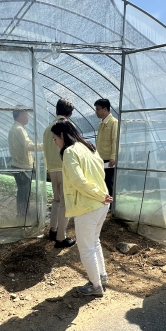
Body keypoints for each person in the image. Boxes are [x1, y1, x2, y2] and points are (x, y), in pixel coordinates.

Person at [51, 119, 112, 297]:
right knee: (94, 242)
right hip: (101, 203)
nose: (55, 142)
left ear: (62, 134)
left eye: (55, 138)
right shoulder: (89, 147)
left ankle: (95, 286)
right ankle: (101, 277)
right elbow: (100, 172)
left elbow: (78, 180)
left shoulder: (70, 151)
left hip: (88, 205)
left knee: (86, 248)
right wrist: (102, 195)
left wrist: (98, 195)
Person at [43, 98, 76, 249]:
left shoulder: (47, 129)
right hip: (64, 169)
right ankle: (61, 238)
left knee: (56, 201)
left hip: (52, 170)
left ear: (56, 110)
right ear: (70, 114)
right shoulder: (68, 125)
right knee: (65, 204)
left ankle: (53, 229)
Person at [8, 108, 39, 221]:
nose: (28, 117)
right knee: (24, 194)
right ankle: (24, 217)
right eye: (26, 115)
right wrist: (43, 146)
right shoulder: (19, 129)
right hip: (23, 167)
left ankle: (22, 215)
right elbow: (28, 145)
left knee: (22, 193)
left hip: (18, 165)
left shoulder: (14, 129)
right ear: (20, 115)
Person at [95, 98, 119, 198]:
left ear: (105, 109)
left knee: (109, 182)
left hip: (109, 159)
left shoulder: (114, 122)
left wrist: (113, 156)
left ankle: (112, 204)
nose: (96, 112)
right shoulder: (102, 123)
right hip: (101, 158)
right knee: (103, 182)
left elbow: (115, 140)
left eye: (98, 109)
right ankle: (106, 203)